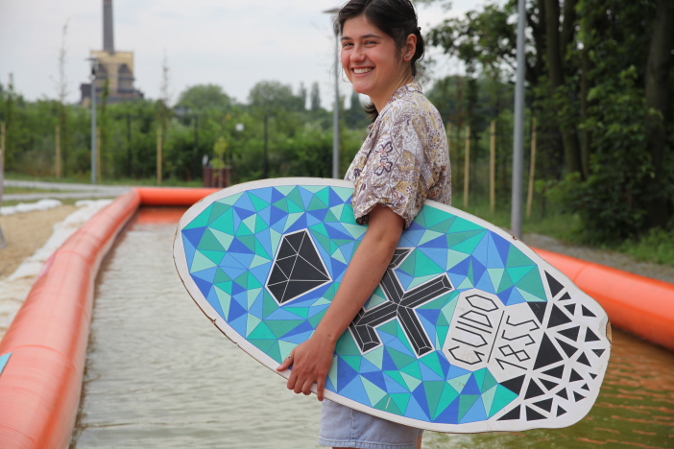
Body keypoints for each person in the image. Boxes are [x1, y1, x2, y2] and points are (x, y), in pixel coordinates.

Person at [277, 0, 451, 447]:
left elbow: (382, 236)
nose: (355, 56)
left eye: (370, 42)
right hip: (389, 345)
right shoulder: (405, 113)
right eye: (348, 43)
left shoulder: (404, 117)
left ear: (407, 46)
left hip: (376, 340)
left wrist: (323, 338)